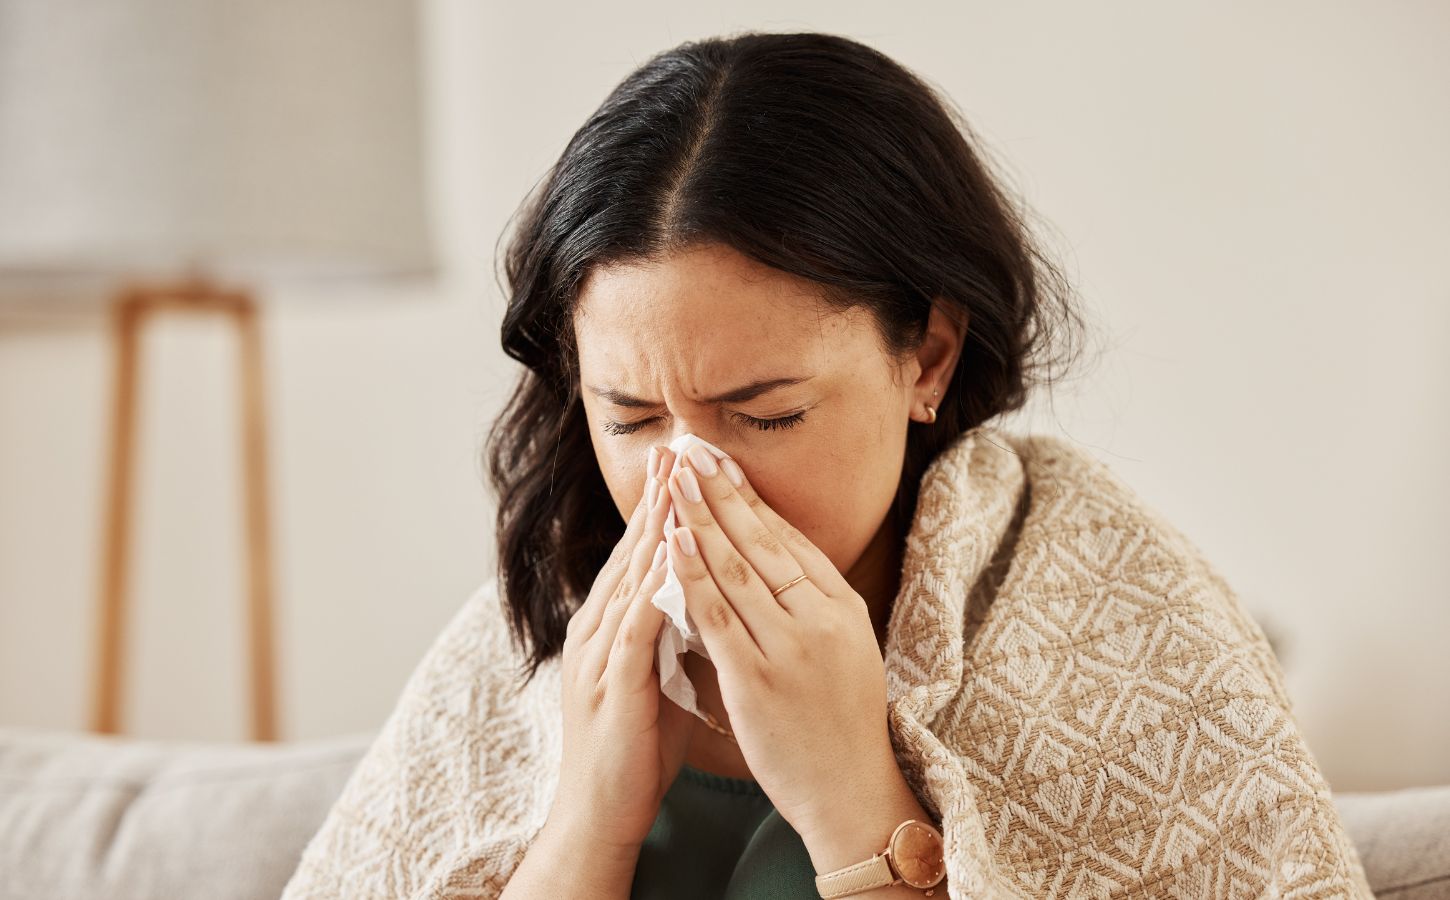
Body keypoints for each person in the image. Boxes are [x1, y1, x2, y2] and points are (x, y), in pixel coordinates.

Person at [281, 31, 1373, 900]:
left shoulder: (1108, 602)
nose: (692, 480)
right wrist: (589, 823)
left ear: (926, 355)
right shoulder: (536, 628)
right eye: (631, 417)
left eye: (764, 414)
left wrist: (853, 797)